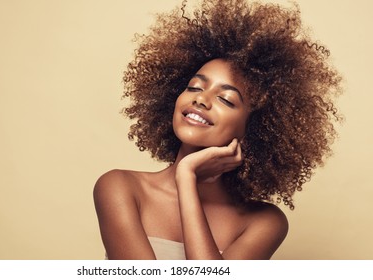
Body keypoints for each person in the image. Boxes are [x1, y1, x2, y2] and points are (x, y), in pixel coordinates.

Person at [94, 0, 342, 260]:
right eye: (194, 87)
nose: (201, 99)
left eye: (226, 99)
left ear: (255, 128)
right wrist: (186, 175)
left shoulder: (264, 222)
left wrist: (186, 178)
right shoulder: (120, 188)